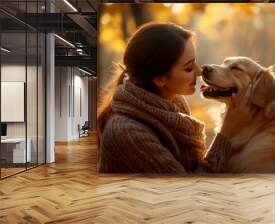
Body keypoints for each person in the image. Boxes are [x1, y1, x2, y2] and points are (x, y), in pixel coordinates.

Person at [98, 22, 255, 173]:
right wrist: (226, 133)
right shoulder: (127, 133)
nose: (200, 71)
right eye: (188, 68)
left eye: (195, 63)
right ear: (160, 79)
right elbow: (189, 190)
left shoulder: (174, 102)